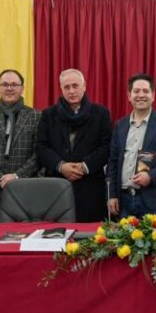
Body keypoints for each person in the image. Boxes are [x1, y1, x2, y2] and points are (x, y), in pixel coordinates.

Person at [37, 69, 112, 222]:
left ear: (84, 87)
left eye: (75, 86)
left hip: (90, 185)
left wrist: (84, 167)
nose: (71, 91)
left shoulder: (101, 113)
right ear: (61, 89)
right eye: (67, 87)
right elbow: (41, 147)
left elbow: (107, 146)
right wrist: (61, 166)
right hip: (57, 185)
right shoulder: (48, 115)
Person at [107, 73, 156, 218]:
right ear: (129, 95)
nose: (141, 95)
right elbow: (113, 161)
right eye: (136, 91)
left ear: (153, 95)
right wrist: (111, 194)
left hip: (153, 201)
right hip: (123, 200)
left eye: (146, 91)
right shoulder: (120, 125)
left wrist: (151, 176)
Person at [0, 69, 41, 222]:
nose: (9, 88)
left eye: (14, 85)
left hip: (25, 188)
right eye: (5, 84)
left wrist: (16, 176)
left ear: (22, 88)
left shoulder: (36, 116)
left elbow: (38, 153)